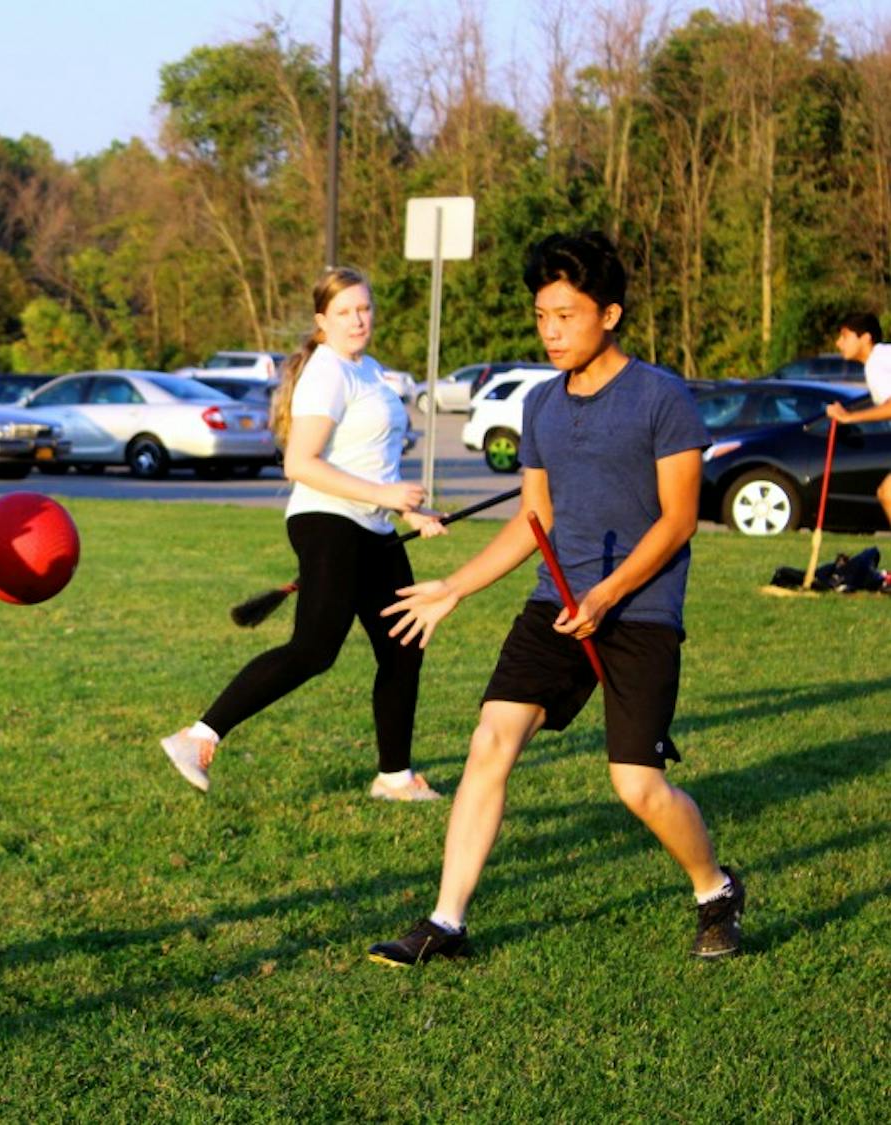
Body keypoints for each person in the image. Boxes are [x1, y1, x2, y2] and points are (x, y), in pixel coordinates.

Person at [367, 231, 745, 966]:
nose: (550, 331)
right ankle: (447, 923)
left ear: (610, 314)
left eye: (566, 315)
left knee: (637, 784)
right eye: (542, 316)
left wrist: (605, 594)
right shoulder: (541, 404)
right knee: (490, 740)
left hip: (638, 610)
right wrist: (454, 587)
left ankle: (716, 889)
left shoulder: (661, 397)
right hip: (555, 604)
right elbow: (532, 518)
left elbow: (678, 520)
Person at [161, 266, 446, 800]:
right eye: (344, 312)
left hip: (371, 525)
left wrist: (410, 512)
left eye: (364, 309)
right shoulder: (328, 372)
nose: (357, 320)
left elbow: (372, 460)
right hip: (328, 522)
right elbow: (300, 463)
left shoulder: (368, 370)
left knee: (403, 645)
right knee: (314, 648)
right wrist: (386, 496)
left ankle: (395, 778)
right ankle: (197, 737)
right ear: (322, 321)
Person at [826, 312, 891, 528]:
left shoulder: (876, 363)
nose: (838, 343)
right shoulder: (883, 358)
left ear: (865, 338)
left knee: (888, 494)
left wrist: (849, 417)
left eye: (845, 336)